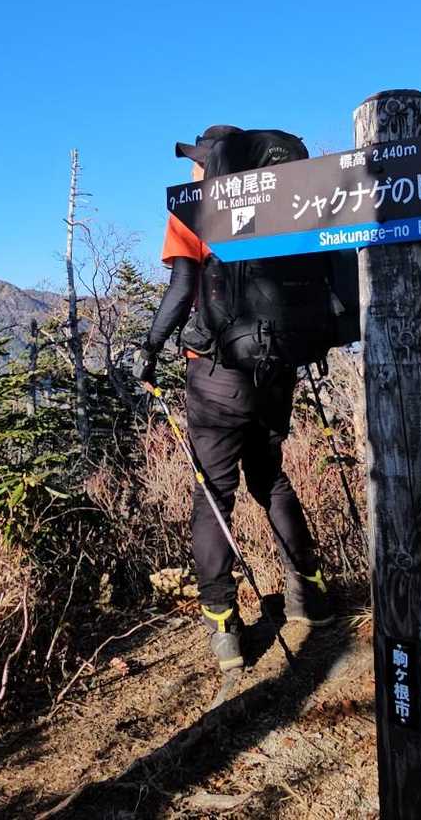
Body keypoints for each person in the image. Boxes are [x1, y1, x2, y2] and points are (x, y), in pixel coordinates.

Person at [133, 124, 334, 673]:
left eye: (198, 161)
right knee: (270, 478)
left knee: (214, 493)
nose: (192, 170)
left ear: (212, 163)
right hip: (278, 368)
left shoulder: (197, 207)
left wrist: (150, 347)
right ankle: (308, 593)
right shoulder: (288, 204)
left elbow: (182, 289)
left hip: (218, 373)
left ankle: (224, 625)